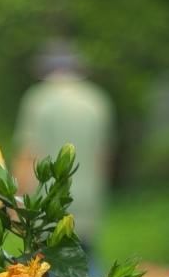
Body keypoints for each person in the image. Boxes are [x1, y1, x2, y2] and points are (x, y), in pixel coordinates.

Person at [13, 40, 114, 264]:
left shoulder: (38, 100)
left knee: (45, 272)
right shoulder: (97, 101)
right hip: (88, 200)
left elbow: (29, 153)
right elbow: (103, 158)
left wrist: (16, 202)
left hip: (47, 204)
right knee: (84, 264)